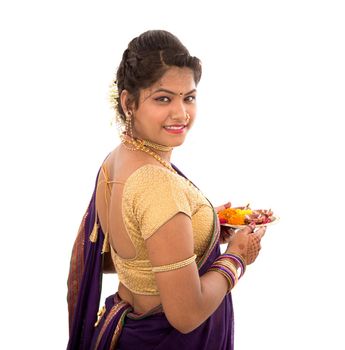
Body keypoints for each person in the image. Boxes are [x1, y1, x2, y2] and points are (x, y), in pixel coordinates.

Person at [67, 29, 266, 350]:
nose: (181, 113)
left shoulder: (116, 161)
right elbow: (186, 314)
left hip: (124, 334)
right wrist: (237, 258)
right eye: (163, 98)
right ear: (128, 102)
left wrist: (199, 228)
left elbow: (125, 254)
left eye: (189, 97)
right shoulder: (157, 185)